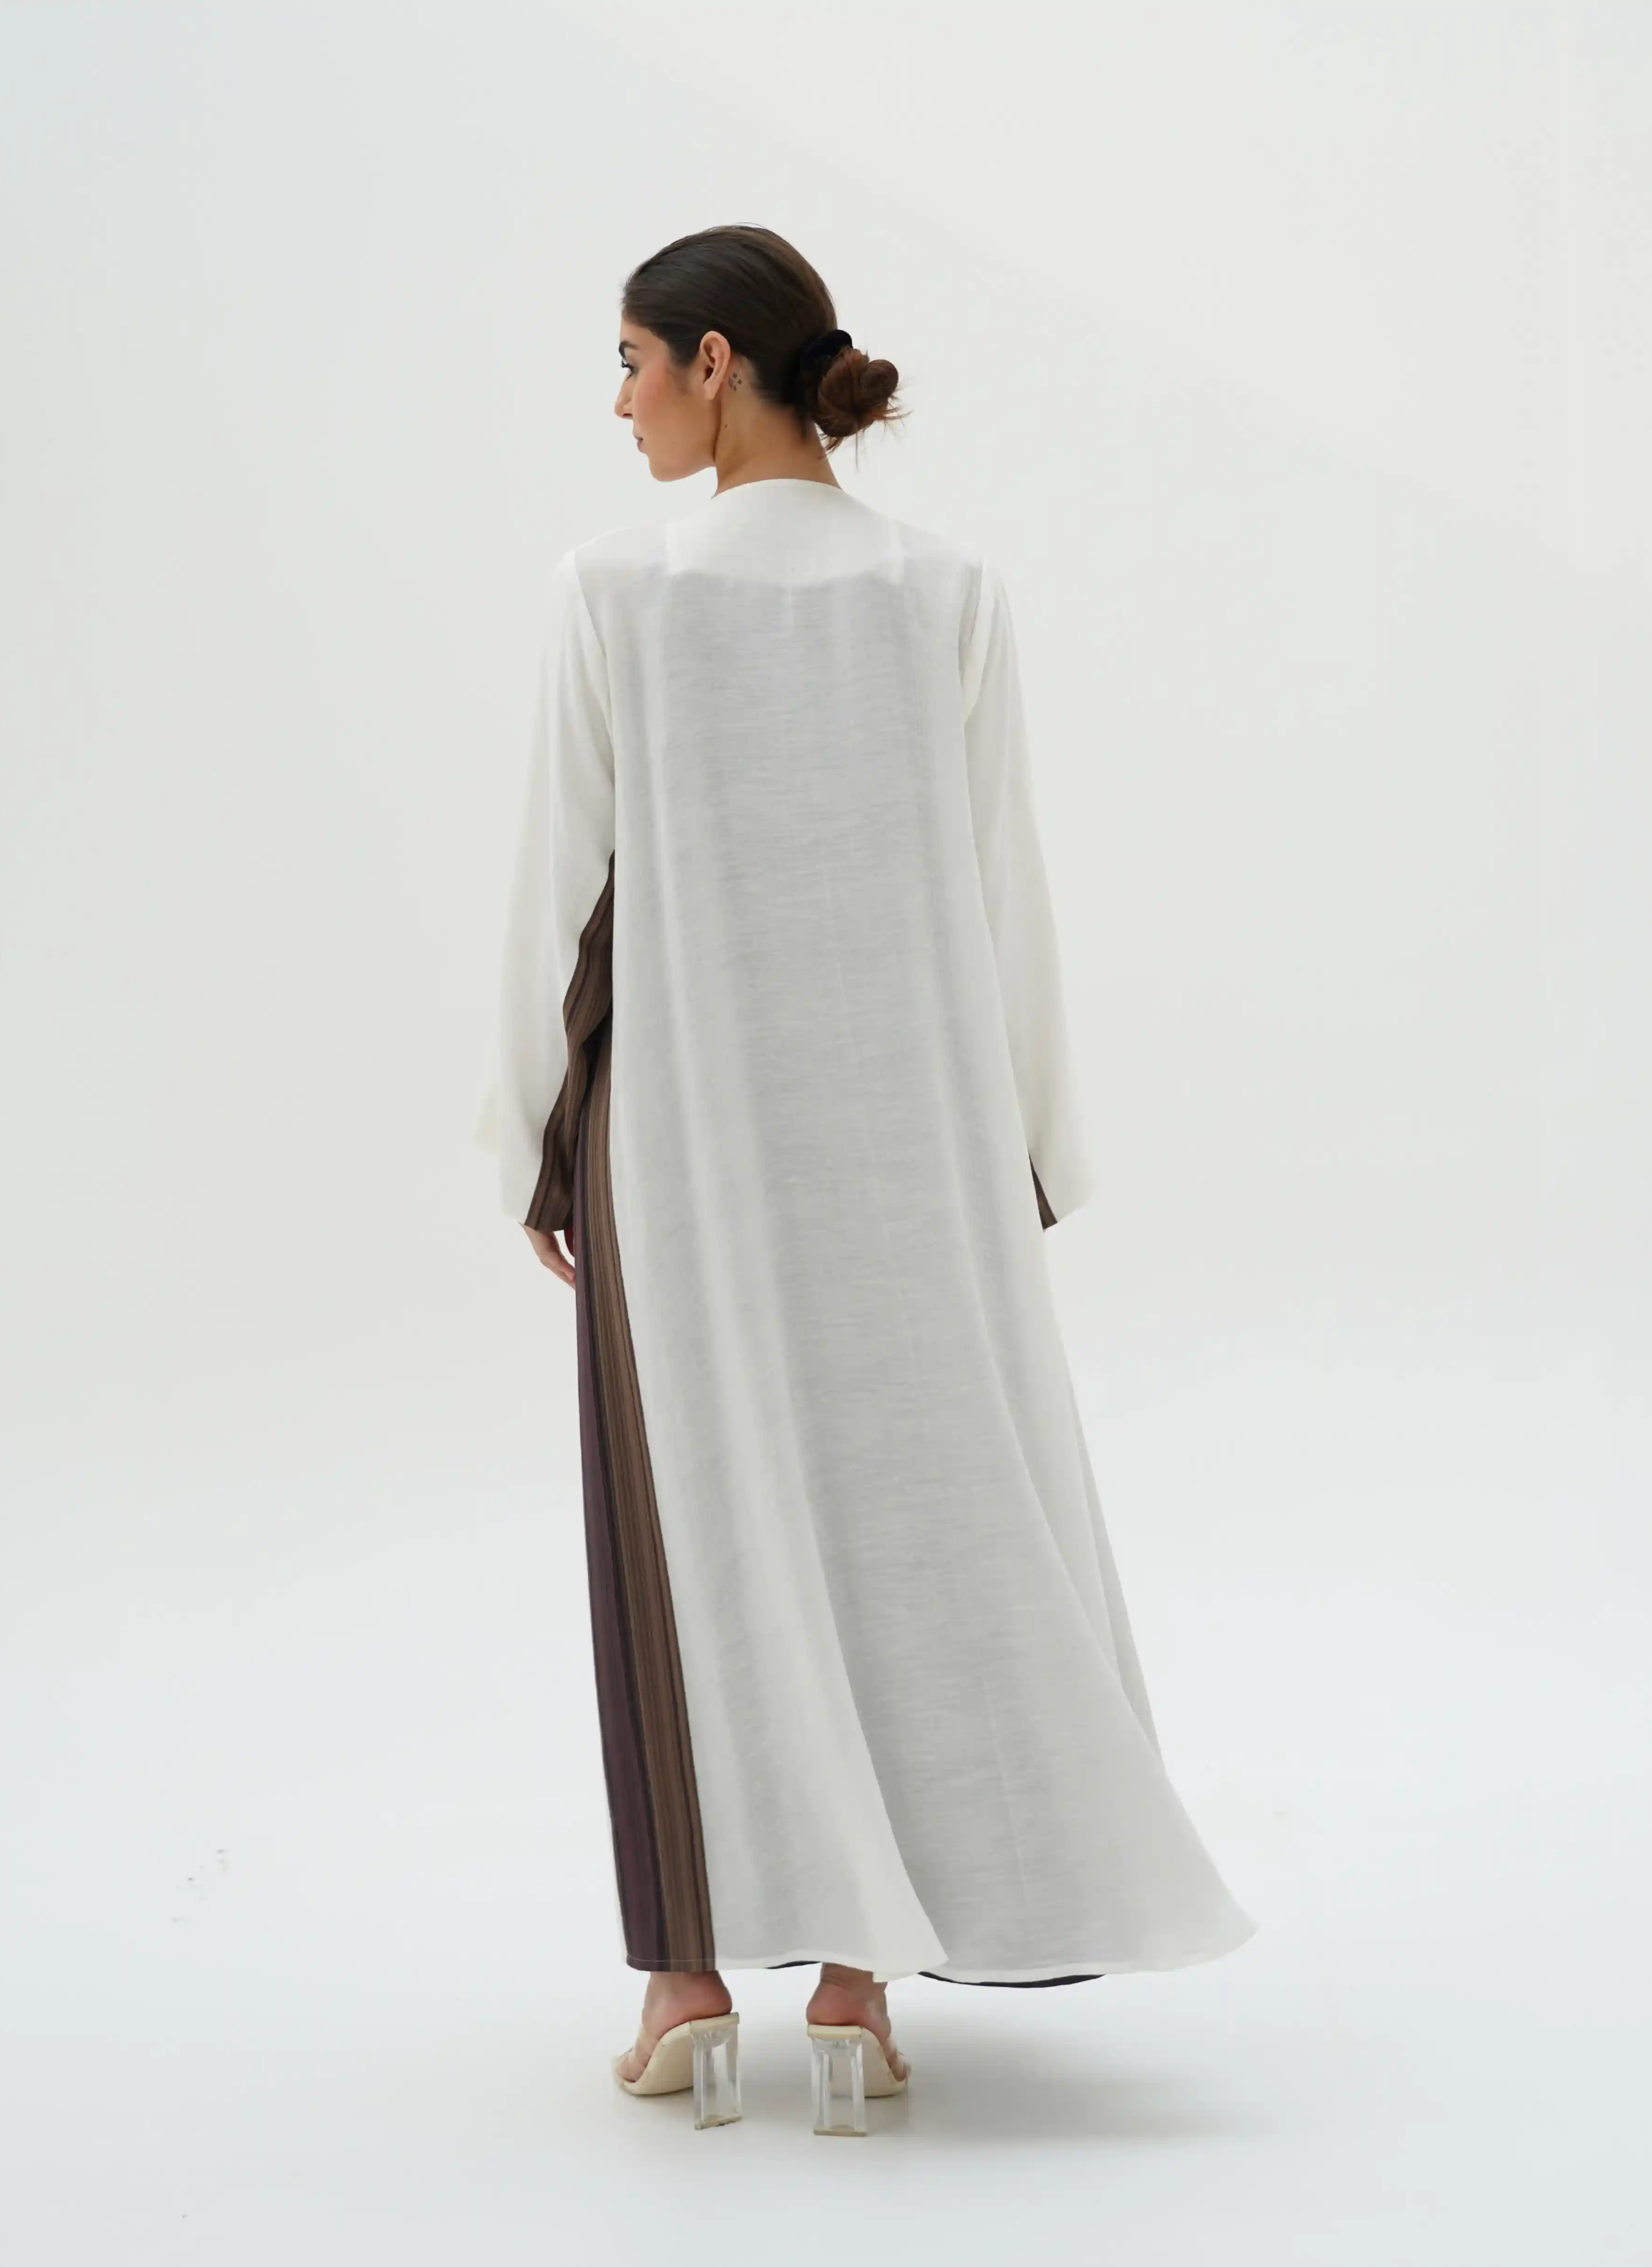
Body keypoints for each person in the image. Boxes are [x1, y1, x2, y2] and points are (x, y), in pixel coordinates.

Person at [472, 224, 1256, 2127]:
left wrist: (535, 1143)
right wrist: (1028, 1151)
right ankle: (851, 1987)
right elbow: (1003, 892)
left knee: (690, 1542)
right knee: (905, 1522)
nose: (619, 403)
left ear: (713, 362)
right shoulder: (942, 590)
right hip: (910, 1144)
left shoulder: (617, 588)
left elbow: (560, 889)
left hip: (682, 1142)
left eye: (632, 361)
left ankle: (684, 1984)